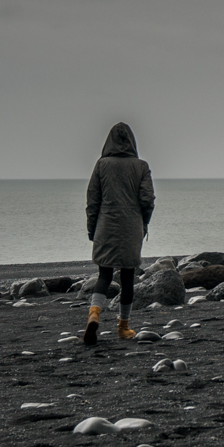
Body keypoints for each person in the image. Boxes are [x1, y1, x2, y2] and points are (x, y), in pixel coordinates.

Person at [83, 121, 155, 346]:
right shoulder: (141, 166)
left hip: (106, 225)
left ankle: (94, 314)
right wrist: (144, 223)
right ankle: (123, 328)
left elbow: (92, 201)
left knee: (104, 276)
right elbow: (148, 200)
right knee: (127, 279)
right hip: (131, 227)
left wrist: (91, 229)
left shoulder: (101, 165)